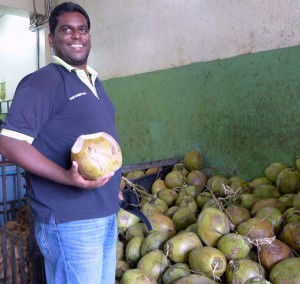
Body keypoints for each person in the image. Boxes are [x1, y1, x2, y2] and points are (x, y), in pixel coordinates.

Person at [0, 2, 122, 283]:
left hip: (104, 213)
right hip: (70, 221)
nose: (77, 35)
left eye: (83, 29)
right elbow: (9, 142)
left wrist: (115, 186)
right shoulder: (43, 83)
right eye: (67, 29)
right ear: (52, 39)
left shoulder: (94, 82)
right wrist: (66, 177)